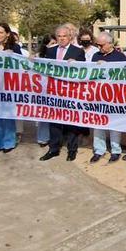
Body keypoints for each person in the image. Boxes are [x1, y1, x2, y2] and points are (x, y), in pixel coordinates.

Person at [40, 25, 86, 161]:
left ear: (70, 37)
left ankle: (72, 150)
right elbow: (44, 67)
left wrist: (77, 64)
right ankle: (53, 148)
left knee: (71, 121)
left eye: (64, 36)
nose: (61, 38)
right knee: (53, 121)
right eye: (59, 36)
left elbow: (84, 70)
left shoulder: (78, 51)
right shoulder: (50, 51)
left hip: (70, 92)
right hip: (54, 91)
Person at [89, 32, 126, 163]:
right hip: (98, 95)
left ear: (110, 43)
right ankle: (99, 150)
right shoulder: (95, 56)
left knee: (114, 124)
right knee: (98, 124)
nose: (99, 47)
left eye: (101, 45)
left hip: (114, 96)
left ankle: (116, 150)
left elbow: (124, 75)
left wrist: (107, 66)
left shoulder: (120, 57)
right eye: (97, 44)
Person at [0, 23, 23, 155]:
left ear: (7, 33)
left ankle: (9, 142)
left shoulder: (15, 47)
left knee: (8, 116)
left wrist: (12, 55)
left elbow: (22, 64)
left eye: (1, 32)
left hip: (9, 87)